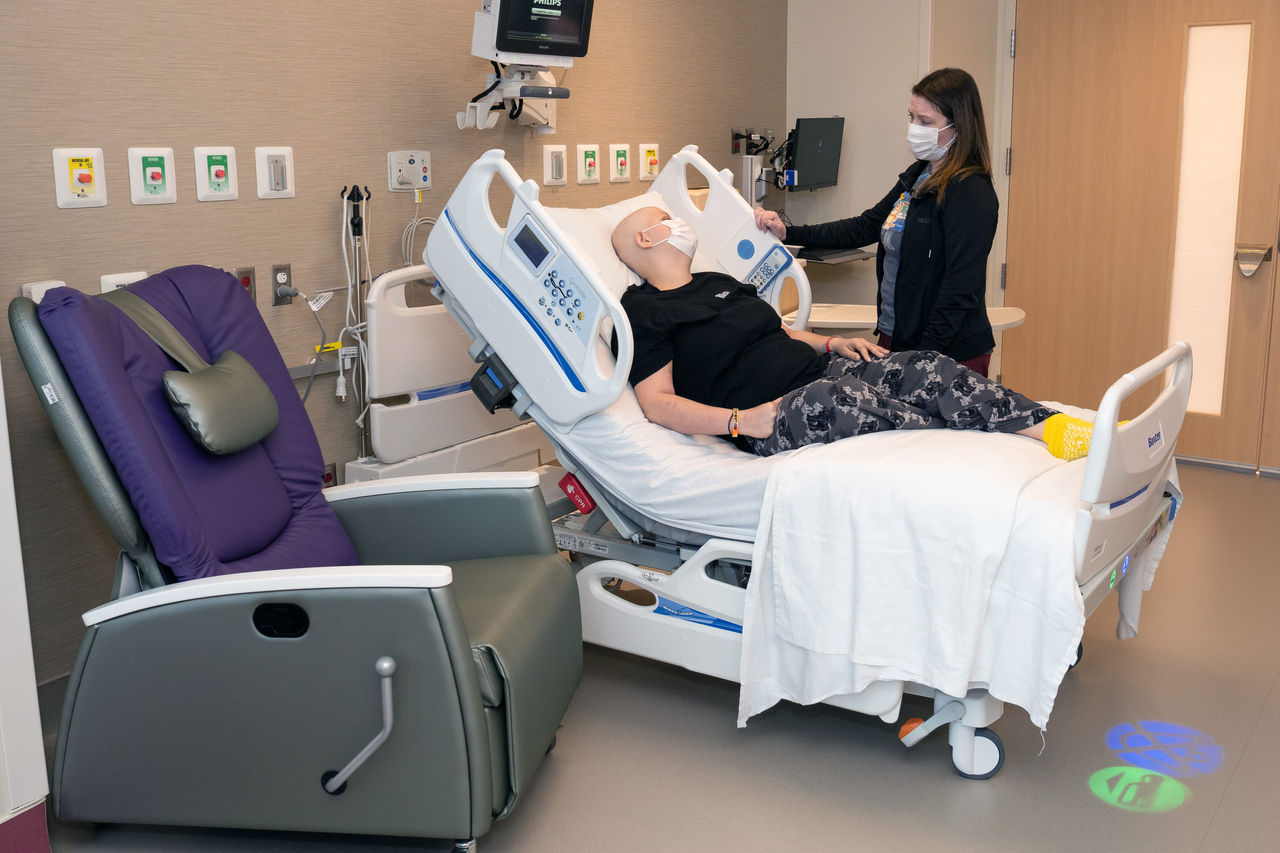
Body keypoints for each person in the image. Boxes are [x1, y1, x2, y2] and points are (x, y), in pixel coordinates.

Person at [610, 205, 1095, 461]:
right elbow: (657, 403)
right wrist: (741, 422)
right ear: (646, 239)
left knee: (921, 365)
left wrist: (831, 342)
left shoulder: (716, 281)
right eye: (665, 220)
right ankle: (968, 444)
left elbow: (777, 332)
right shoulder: (642, 311)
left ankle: (1053, 428)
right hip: (777, 412)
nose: (679, 223)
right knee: (835, 399)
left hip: (824, 367)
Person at [754, 67, 998, 376]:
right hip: (898, 336)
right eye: (911, 117)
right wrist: (788, 232)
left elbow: (961, 287)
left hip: (946, 350)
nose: (914, 128)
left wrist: (923, 359)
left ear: (959, 126)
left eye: (925, 122)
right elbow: (864, 226)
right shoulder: (919, 175)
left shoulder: (970, 191)